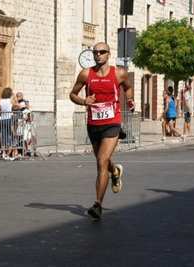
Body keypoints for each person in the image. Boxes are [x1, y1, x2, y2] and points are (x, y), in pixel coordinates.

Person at [69, 42, 135, 219]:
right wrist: (84, 101)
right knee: (103, 163)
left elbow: (127, 88)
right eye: (95, 52)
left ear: (109, 54)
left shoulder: (119, 73)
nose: (98, 55)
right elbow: (72, 94)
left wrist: (129, 101)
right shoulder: (85, 74)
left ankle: (98, 204)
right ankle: (115, 172)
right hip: (93, 124)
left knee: (101, 160)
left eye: (102, 52)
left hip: (112, 122)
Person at [0, 87, 18, 160]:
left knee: (4, 136)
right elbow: (17, 106)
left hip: (2, 119)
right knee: (11, 136)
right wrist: (15, 98)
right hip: (9, 119)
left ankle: (3, 152)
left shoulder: (0, 101)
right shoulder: (10, 100)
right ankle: (10, 153)